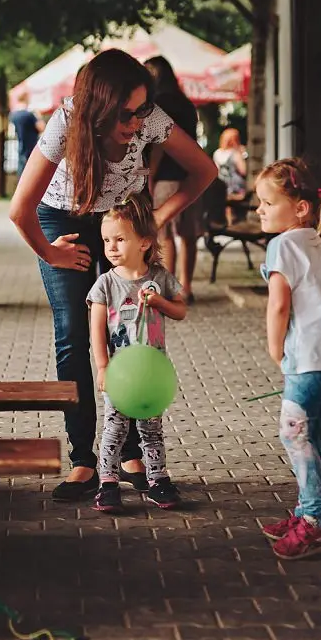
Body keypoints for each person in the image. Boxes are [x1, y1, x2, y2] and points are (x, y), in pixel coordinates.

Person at [8, 48, 216, 502]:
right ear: (99, 108)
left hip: (121, 220)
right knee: (73, 334)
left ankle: (130, 455)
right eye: (127, 112)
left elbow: (204, 169)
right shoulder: (66, 122)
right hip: (63, 222)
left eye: (143, 108)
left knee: (132, 329)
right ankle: (84, 459)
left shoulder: (151, 119)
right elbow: (20, 209)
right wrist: (50, 254)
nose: (138, 121)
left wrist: (157, 219)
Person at [255, 158, 321, 560]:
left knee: (294, 435)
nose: (259, 209)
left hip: (306, 359)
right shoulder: (317, 241)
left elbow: (279, 305)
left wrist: (274, 348)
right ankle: (306, 512)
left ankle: (316, 521)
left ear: (300, 207)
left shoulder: (283, 245)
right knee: (308, 434)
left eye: (267, 202)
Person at [88, 194, 187, 512]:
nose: (111, 247)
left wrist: (160, 302)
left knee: (151, 429)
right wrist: (102, 367)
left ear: (144, 242)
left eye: (119, 239)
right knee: (114, 428)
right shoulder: (105, 284)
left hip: (151, 371)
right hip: (120, 371)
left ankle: (158, 479)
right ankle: (107, 482)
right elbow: (96, 330)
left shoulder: (159, 278)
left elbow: (180, 311)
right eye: (106, 240)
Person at [145, 56, 203, 304]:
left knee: (165, 234)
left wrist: (150, 175)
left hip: (166, 178)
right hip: (190, 177)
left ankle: (169, 289)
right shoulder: (187, 104)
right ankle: (187, 287)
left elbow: (160, 146)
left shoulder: (159, 104)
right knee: (188, 235)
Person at [213, 128, 248, 224]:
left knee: (227, 206)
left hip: (223, 185)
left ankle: (228, 222)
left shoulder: (217, 153)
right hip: (236, 186)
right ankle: (237, 223)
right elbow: (243, 170)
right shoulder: (235, 153)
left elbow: (216, 170)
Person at [9, 99, 45, 179]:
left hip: (21, 143)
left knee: (22, 168)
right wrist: (38, 116)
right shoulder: (29, 115)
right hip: (31, 145)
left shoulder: (14, 115)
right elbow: (42, 128)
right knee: (31, 169)